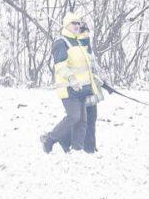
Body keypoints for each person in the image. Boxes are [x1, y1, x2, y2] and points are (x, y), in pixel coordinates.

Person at [40, 13, 105, 154]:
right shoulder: (61, 42)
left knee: (82, 121)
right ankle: (49, 139)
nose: (77, 26)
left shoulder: (77, 42)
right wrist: (71, 79)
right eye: (73, 23)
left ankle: (77, 150)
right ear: (66, 25)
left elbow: (87, 66)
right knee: (74, 117)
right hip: (68, 88)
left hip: (81, 89)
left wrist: (97, 79)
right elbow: (60, 66)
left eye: (78, 23)